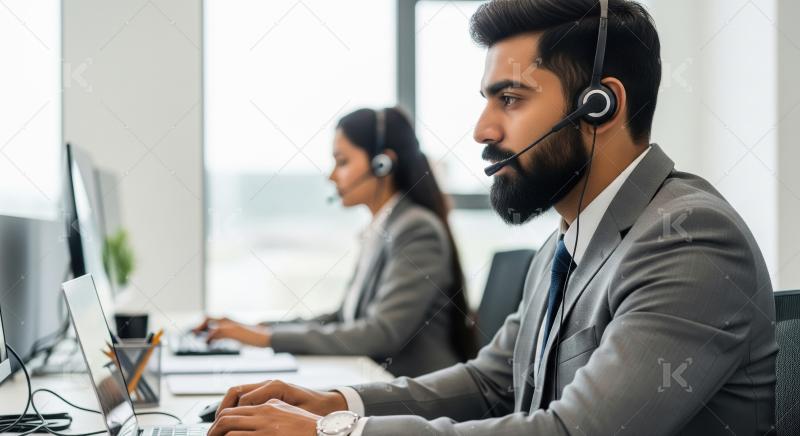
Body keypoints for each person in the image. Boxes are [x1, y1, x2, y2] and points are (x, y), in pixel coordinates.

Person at [205, 1, 778, 435]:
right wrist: (338, 402)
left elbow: (572, 432)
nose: (481, 129)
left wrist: (342, 433)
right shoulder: (563, 247)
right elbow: (492, 382)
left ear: (600, 105)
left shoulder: (691, 241)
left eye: (510, 99)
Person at [195, 107, 477, 377]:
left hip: (418, 396)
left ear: (382, 164)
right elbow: (342, 318)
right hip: (379, 380)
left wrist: (266, 338)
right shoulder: (380, 229)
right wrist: (261, 328)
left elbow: (382, 334)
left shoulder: (415, 229)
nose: (331, 175)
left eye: (342, 161)